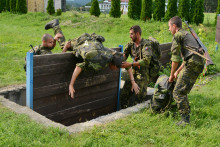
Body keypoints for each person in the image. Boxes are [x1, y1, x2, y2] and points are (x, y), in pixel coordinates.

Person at [45, 19, 123, 98]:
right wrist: (71, 85)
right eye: (116, 68)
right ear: (114, 65)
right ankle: (55, 26)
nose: (116, 69)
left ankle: (55, 26)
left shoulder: (110, 54)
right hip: (81, 43)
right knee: (64, 45)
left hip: (88, 40)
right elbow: (79, 66)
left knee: (65, 45)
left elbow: (124, 62)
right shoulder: (98, 62)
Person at [168, 16, 204, 126]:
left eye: (169, 27)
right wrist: (177, 72)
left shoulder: (177, 35)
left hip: (193, 64)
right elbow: (188, 57)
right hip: (198, 63)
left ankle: (185, 120)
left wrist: (171, 76)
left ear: (174, 26)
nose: (169, 29)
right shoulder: (186, 34)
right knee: (182, 90)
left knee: (178, 91)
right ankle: (185, 113)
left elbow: (175, 59)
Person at [120, 25, 160, 109]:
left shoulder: (146, 45)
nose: (130, 36)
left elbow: (146, 60)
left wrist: (130, 64)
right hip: (133, 72)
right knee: (124, 94)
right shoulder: (130, 45)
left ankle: (135, 111)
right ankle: (123, 112)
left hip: (143, 74)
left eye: (131, 34)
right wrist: (119, 57)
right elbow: (124, 56)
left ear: (137, 34)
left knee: (137, 95)